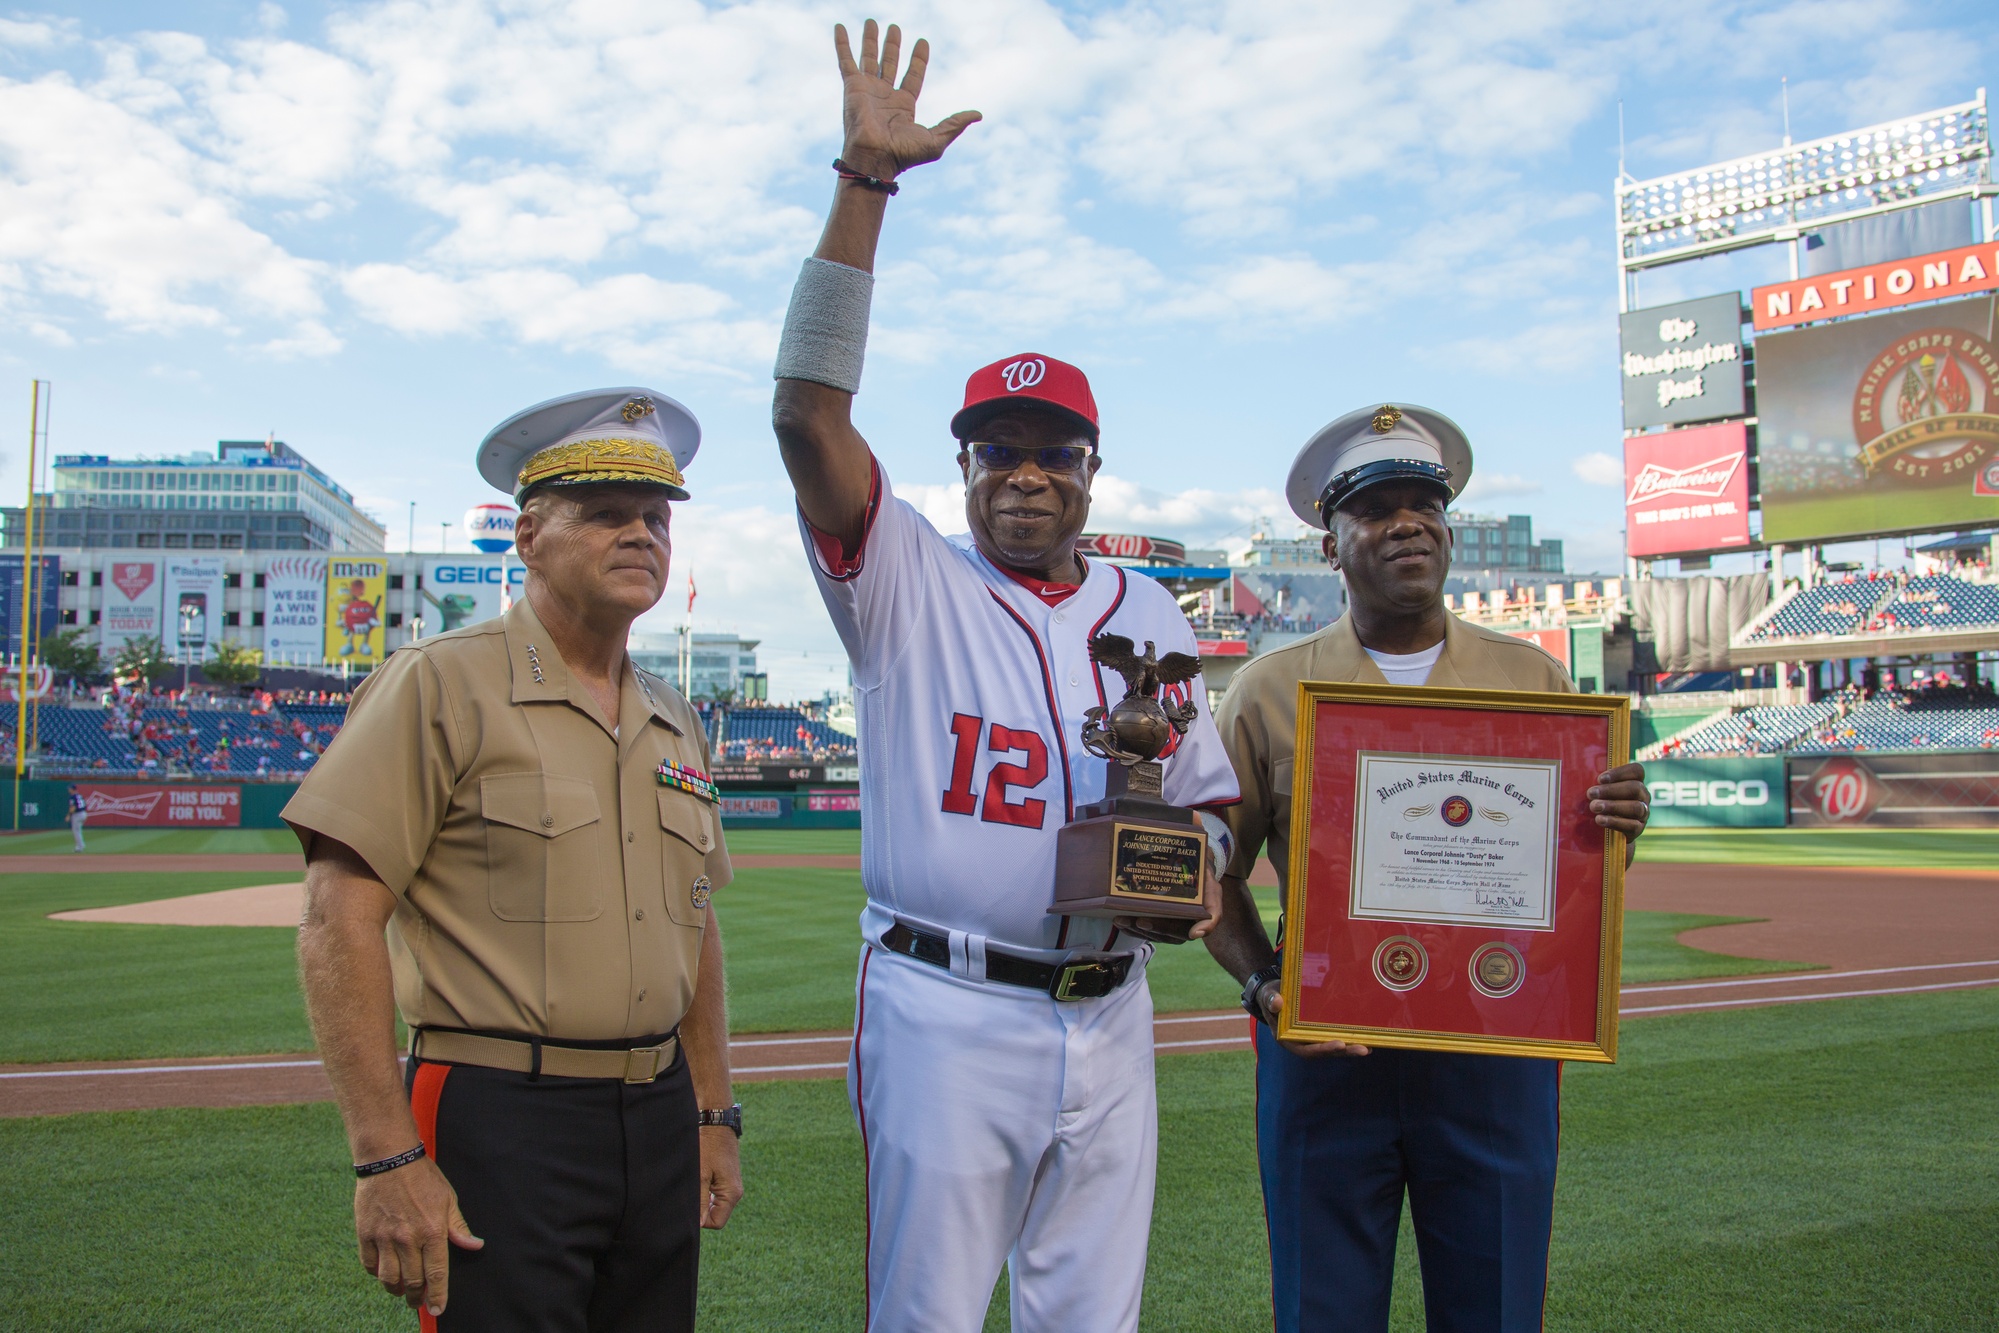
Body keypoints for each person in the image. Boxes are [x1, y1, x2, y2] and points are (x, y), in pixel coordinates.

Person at [769, 20, 1240, 1333]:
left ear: (1091, 468)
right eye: (996, 450)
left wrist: (1186, 883)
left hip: (1111, 1013)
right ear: (962, 467)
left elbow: (1200, 804)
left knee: (1090, 1319)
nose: (1024, 472)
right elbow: (805, 415)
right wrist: (862, 186)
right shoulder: (900, 577)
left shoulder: (1147, 606)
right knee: (923, 1318)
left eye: (1052, 450)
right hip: (941, 1006)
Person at [289, 388, 743, 1332]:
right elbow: (339, 917)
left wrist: (711, 1111)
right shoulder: (440, 681)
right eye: (607, 513)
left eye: (656, 518)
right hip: (499, 1112)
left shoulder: (673, 713)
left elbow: (692, 924)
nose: (642, 536)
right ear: (530, 534)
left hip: (657, 1115)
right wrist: (384, 1153)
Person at [1202, 403, 1653, 1333]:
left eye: (1424, 504)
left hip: (1493, 1044)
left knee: (1492, 1308)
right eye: (1376, 508)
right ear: (1331, 543)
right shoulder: (1266, 689)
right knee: (1322, 1308)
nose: (1407, 522)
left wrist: (1618, 829)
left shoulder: (1534, 681)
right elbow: (1215, 870)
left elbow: (1567, 883)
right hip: (1327, 1047)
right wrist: (1259, 983)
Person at [67, 786, 87, 852]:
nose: (69, 790)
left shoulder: (72, 797)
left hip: (77, 814)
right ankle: (81, 845)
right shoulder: (79, 795)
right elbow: (84, 805)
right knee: (78, 830)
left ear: (73, 789)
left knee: (76, 831)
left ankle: (79, 847)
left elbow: (73, 807)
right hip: (83, 813)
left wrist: (69, 815)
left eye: (69, 789)